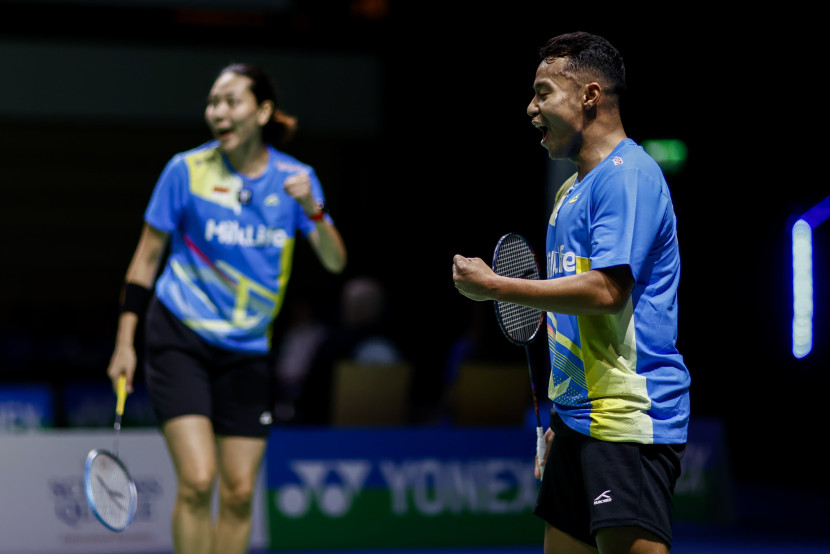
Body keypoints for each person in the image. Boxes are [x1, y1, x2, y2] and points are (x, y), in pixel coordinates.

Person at [452, 32, 690, 554]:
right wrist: (565, 410)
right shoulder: (571, 190)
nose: (531, 107)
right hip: (578, 418)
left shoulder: (627, 178)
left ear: (590, 95)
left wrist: (495, 285)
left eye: (543, 93)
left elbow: (606, 291)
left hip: (626, 421)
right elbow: (570, 309)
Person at [105, 62, 347, 554]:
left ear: (262, 111)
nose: (218, 111)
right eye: (213, 101)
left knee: (238, 493)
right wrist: (124, 343)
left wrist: (312, 210)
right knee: (198, 480)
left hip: (249, 348)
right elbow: (145, 259)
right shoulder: (185, 170)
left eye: (231, 100)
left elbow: (335, 260)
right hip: (179, 335)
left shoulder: (296, 179)